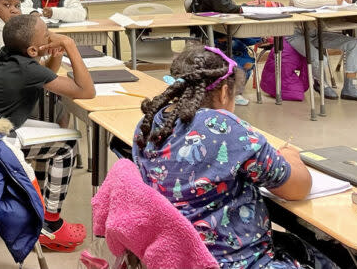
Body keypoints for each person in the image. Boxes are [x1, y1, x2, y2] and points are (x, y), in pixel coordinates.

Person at [132, 46, 345, 269]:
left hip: (176, 256)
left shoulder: (149, 124)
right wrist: (291, 157)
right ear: (225, 92)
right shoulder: (224, 127)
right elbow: (298, 188)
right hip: (235, 260)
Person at [0, 14, 95, 252]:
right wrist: (70, 45)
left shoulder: (10, 55)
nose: (52, 36)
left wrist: (57, 55)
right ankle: (50, 224)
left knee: (58, 134)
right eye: (47, 35)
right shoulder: (27, 68)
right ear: (33, 50)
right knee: (66, 147)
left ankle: (40, 208)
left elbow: (44, 75)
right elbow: (86, 91)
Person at [192, 0, 257, 106]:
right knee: (243, 53)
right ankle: (234, 92)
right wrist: (242, 8)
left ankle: (233, 90)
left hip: (217, 30)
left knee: (250, 40)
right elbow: (225, 7)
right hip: (219, 33)